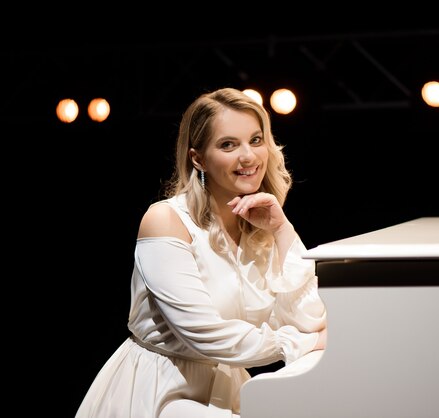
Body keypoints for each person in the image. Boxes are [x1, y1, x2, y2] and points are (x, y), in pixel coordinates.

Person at [76, 87, 327, 417]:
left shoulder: (259, 226)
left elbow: (310, 320)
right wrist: (294, 344)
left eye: (255, 140)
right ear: (198, 158)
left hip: (224, 387)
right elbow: (205, 334)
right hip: (160, 390)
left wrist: (281, 230)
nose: (249, 157)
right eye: (228, 145)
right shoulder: (165, 220)